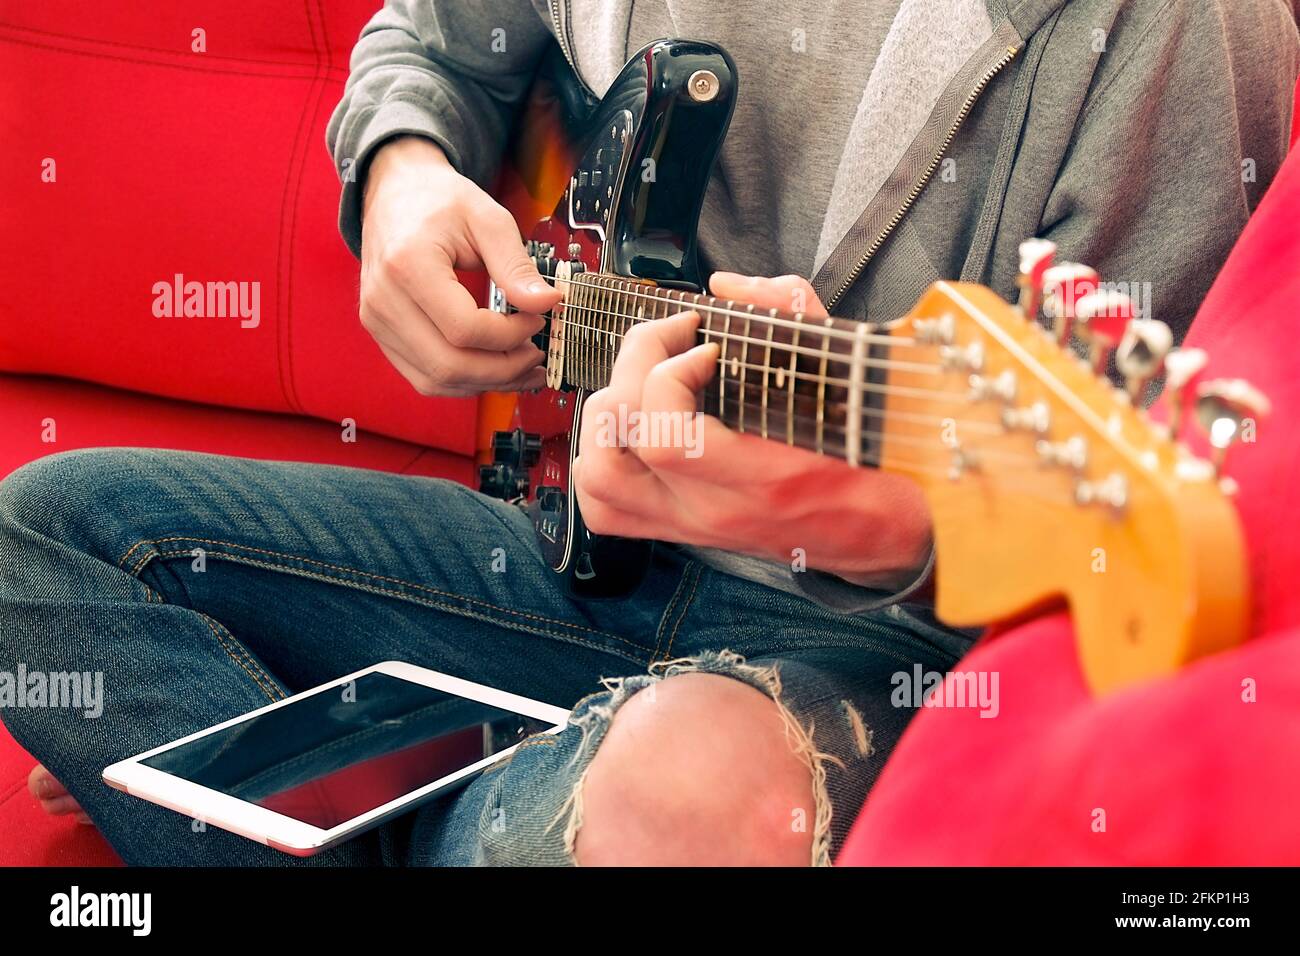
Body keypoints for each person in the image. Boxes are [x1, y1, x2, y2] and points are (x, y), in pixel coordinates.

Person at [2, 0, 1296, 866]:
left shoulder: (1188, 30)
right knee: (37, 540)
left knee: (698, 788)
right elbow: (433, 40)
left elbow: (1126, 508)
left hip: (872, 637)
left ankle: (365, 778)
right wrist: (397, 171)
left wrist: (868, 520)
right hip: (568, 555)